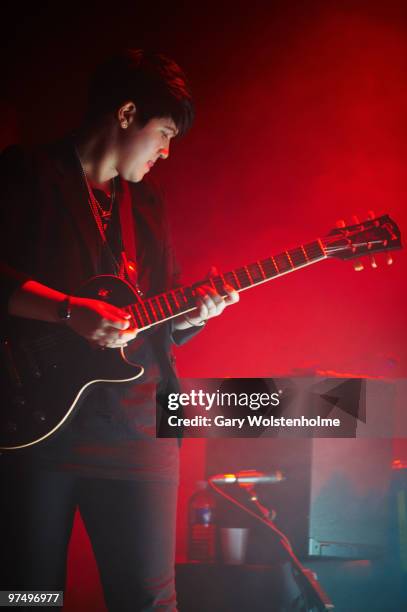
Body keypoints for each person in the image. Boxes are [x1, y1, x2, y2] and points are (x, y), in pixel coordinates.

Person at [0, 49, 239, 611]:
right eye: (163, 132)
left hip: (136, 428)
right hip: (35, 425)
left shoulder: (147, 203)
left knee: (149, 601)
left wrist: (192, 317)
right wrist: (66, 309)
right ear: (127, 113)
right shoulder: (26, 174)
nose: (166, 150)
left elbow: (158, 317)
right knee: (25, 598)